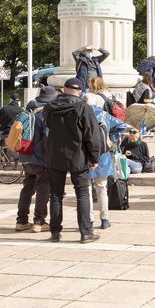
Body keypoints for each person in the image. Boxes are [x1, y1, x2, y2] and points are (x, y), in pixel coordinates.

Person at [43, 78, 102, 243]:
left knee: (55, 194)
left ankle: (55, 232)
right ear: (80, 91)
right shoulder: (83, 107)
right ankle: (85, 232)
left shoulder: (49, 108)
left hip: (55, 155)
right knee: (82, 193)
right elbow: (91, 134)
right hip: (78, 155)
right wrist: (94, 156)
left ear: (64, 88)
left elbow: (47, 126)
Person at [15, 86, 58, 233]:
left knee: (27, 187)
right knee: (43, 188)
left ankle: (21, 220)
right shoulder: (45, 114)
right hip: (41, 157)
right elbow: (47, 138)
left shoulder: (29, 110)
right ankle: (39, 221)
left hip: (25, 155)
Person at [90, 104, 127, 230]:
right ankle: (104, 219)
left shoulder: (81, 113)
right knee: (102, 189)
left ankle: (89, 220)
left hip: (85, 155)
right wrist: (111, 139)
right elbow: (122, 125)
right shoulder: (105, 115)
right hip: (103, 155)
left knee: (86, 191)